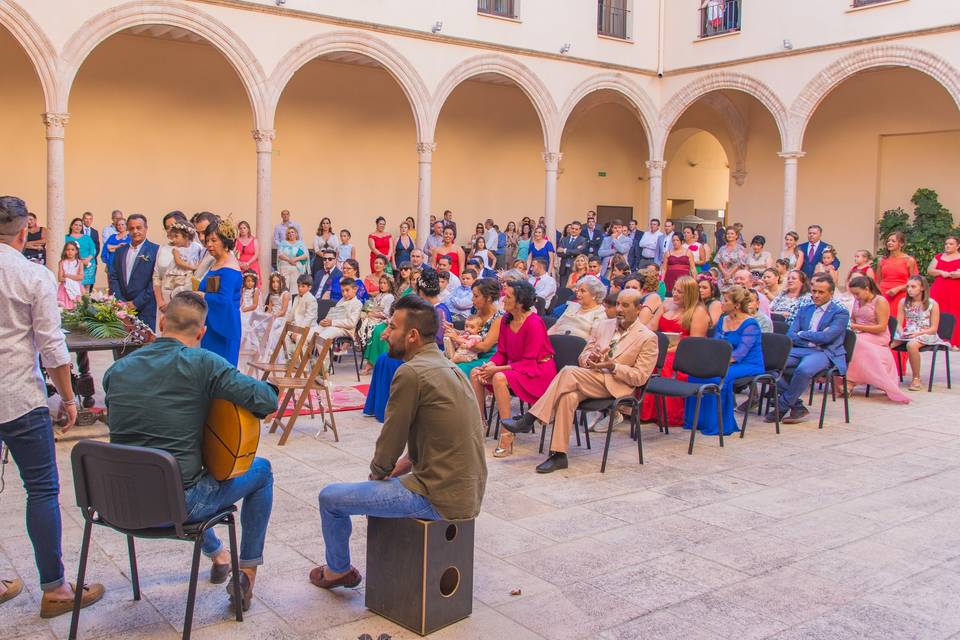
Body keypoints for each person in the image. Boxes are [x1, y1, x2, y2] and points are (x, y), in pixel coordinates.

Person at [104, 292, 278, 610]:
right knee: (262, 471)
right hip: (176, 506)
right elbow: (266, 400)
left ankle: (218, 554)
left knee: (165, 475)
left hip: (115, 500)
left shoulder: (117, 370)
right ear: (201, 333)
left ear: (160, 322)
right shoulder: (203, 363)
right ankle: (248, 572)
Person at [312, 295, 487, 589]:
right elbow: (437, 441)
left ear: (412, 336)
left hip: (437, 498)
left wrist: (379, 473)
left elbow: (389, 444)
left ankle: (337, 570)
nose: (384, 333)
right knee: (380, 484)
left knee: (331, 498)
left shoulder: (411, 372)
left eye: (392, 327)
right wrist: (398, 469)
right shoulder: (449, 368)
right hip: (466, 492)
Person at [0, 195, 106, 617]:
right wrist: (67, 397)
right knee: (41, 490)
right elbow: (51, 346)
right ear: (27, 231)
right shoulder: (31, 275)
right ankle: (55, 588)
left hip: (16, 392)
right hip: (19, 396)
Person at [504, 289, 658, 472]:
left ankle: (530, 418)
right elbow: (583, 354)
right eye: (617, 304)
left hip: (616, 384)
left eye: (625, 305)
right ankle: (559, 455)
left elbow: (640, 377)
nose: (619, 309)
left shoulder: (648, 337)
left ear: (639, 308)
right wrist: (589, 359)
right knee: (567, 397)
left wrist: (613, 366)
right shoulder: (604, 325)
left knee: (568, 372)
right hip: (590, 377)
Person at [470, 280, 555, 457]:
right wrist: (491, 364)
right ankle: (480, 424)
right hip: (515, 367)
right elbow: (501, 352)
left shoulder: (534, 323)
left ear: (520, 302)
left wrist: (497, 369)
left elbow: (529, 361)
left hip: (537, 371)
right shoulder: (506, 321)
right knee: (476, 372)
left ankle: (506, 434)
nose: (503, 300)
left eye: (508, 297)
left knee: (500, 377)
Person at [766, 274, 850, 424]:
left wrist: (803, 334)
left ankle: (783, 406)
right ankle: (797, 405)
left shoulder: (840, 312)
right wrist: (811, 338)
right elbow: (791, 335)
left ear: (831, 293)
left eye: (821, 292)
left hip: (825, 352)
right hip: (802, 349)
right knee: (768, 364)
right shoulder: (804, 309)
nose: (816, 295)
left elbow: (828, 338)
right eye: (814, 291)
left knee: (803, 370)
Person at [685, 286, 764, 437]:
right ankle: (697, 421)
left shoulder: (750, 325)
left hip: (748, 364)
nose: (721, 302)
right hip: (724, 361)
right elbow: (716, 345)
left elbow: (740, 354)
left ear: (736, 305)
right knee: (696, 374)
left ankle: (718, 423)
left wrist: (716, 364)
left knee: (718, 377)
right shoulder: (723, 320)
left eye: (725, 300)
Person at [640, 276, 710, 426]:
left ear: (690, 294)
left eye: (681, 292)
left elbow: (694, 342)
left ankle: (664, 413)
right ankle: (640, 409)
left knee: (664, 364)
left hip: (684, 353)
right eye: (675, 290)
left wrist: (669, 349)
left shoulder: (698, 311)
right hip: (662, 346)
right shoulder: (666, 304)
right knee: (643, 359)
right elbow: (651, 326)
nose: (676, 294)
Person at [845, 276, 909, 402]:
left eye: (857, 293)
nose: (856, 297)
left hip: (878, 335)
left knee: (856, 342)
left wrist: (857, 327)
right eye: (854, 294)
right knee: (848, 340)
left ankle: (850, 381)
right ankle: (844, 377)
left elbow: (881, 327)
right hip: (861, 333)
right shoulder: (857, 301)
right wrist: (852, 327)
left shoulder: (880, 301)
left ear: (867, 289)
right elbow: (853, 319)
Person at [198, 218, 244, 366]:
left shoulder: (230, 268)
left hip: (224, 326)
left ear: (225, 242)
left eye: (214, 240)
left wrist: (203, 295)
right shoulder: (215, 262)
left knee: (221, 369)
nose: (209, 244)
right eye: (207, 241)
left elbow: (224, 300)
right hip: (211, 322)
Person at [892, 275, 947, 391]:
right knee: (887, 344)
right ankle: (884, 376)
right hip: (908, 332)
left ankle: (916, 378)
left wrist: (917, 334)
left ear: (922, 288)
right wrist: (901, 332)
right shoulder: (903, 302)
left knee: (911, 345)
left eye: (913, 286)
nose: (909, 289)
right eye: (907, 287)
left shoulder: (932, 304)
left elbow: (933, 328)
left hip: (926, 333)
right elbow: (899, 323)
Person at [109, 214, 159, 329]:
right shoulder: (120, 251)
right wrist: (121, 301)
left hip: (145, 308)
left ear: (146, 228)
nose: (135, 231)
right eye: (131, 228)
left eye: (139, 227)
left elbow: (155, 280)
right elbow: (114, 277)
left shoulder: (155, 250)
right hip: (123, 309)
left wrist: (136, 303)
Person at [160, 220, 204, 311]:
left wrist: (198, 266)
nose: (174, 240)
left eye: (176, 236)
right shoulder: (176, 249)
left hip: (192, 277)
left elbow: (201, 258)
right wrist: (193, 267)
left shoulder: (197, 247)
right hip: (179, 275)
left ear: (187, 236)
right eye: (173, 237)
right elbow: (178, 262)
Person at [358, 275, 396, 375]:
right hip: (374, 319)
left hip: (384, 321)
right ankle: (371, 361)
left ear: (389, 285)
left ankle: (371, 364)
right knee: (362, 325)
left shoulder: (390, 297)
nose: (382, 285)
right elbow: (373, 308)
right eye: (381, 283)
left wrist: (372, 314)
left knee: (377, 331)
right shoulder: (378, 295)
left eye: (385, 283)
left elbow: (386, 314)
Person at [877, 231, 919, 320]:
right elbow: (878, 281)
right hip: (884, 294)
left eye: (893, 241)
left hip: (901, 294)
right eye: (888, 241)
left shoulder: (909, 260)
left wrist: (898, 288)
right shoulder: (882, 260)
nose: (889, 243)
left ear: (901, 243)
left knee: (897, 320)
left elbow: (915, 281)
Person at [929, 235, 960, 348]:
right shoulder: (939, 256)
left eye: (951, 244)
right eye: (946, 243)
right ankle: (937, 340)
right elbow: (930, 270)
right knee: (937, 311)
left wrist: (958, 274)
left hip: (956, 289)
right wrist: (941, 272)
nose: (947, 246)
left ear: (958, 246)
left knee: (955, 312)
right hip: (939, 289)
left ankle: (955, 341)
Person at [317, 277, 362, 342]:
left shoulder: (357, 303)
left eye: (347, 290)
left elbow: (351, 323)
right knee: (310, 334)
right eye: (342, 291)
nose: (344, 293)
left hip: (345, 330)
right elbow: (332, 315)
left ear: (355, 289)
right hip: (334, 326)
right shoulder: (341, 300)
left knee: (321, 338)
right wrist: (324, 321)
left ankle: (326, 352)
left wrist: (332, 322)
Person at [65, 217, 97, 292]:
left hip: (88, 264)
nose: (78, 227)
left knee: (86, 287)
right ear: (71, 226)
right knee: (74, 286)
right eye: (76, 225)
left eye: (80, 225)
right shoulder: (66, 238)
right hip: (73, 264)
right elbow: (64, 251)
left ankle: (85, 303)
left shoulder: (87, 237)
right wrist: (78, 260)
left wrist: (87, 260)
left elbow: (93, 250)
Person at [277, 226, 309, 292]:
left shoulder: (301, 244)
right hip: (285, 267)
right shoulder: (283, 243)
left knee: (295, 288)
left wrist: (295, 259)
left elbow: (305, 255)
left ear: (296, 234)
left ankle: (294, 301)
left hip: (296, 268)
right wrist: (289, 260)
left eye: (292, 232)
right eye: (288, 233)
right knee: (284, 287)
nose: (290, 234)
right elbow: (279, 255)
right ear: (287, 235)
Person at [57, 241, 84, 309]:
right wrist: (73, 278)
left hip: (77, 287)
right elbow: (60, 278)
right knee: (64, 307)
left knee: (76, 306)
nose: (70, 252)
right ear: (65, 251)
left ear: (76, 251)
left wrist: (68, 276)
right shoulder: (62, 262)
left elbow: (80, 277)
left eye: (72, 250)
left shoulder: (79, 263)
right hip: (64, 288)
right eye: (68, 249)